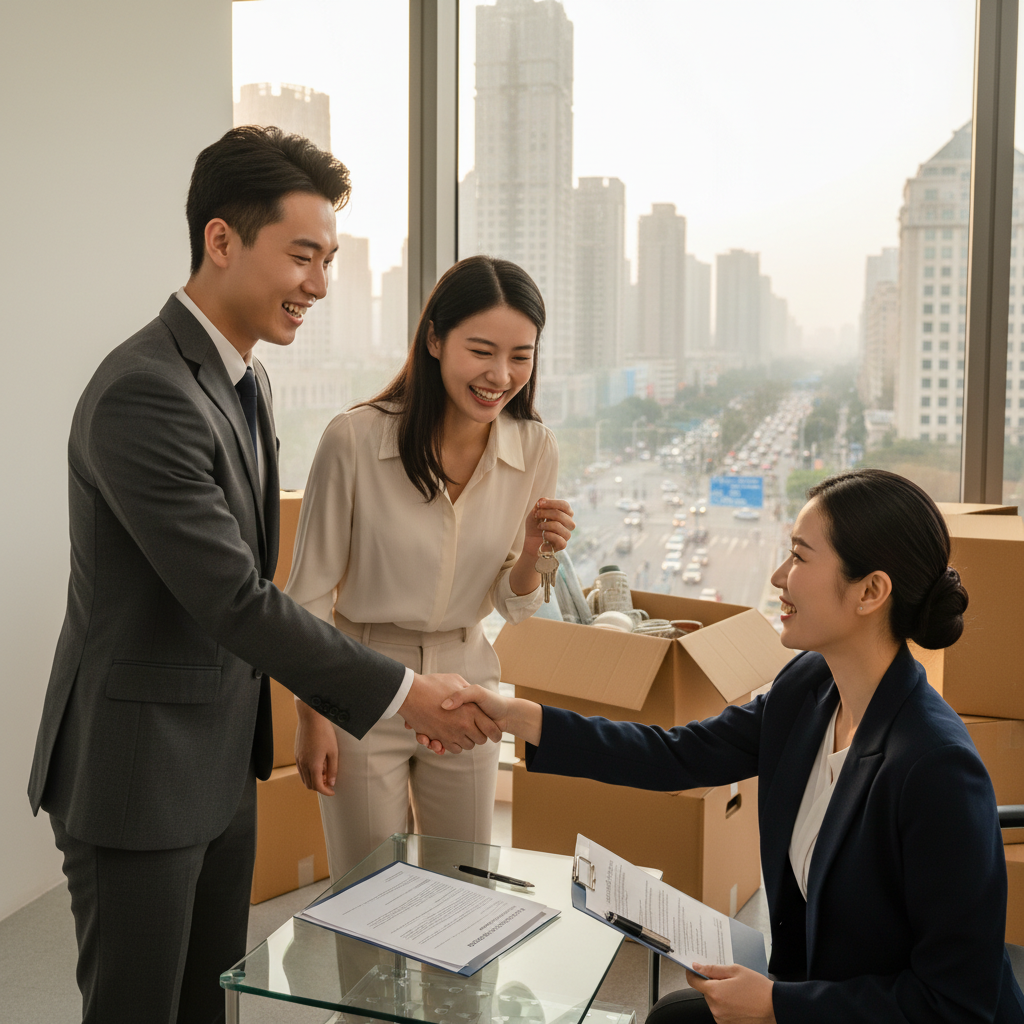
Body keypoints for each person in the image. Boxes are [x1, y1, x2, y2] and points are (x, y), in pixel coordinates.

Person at [27, 126, 498, 1024]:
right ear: (221, 240)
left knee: (212, 1003)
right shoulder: (145, 393)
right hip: (138, 770)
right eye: (304, 256)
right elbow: (232, 600)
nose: (320, 284)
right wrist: (403, 694)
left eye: (328, 259)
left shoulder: (247, 382)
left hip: (215, 759)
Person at [442, 468, 1024, 1023]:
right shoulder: (808, 688)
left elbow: (954, 1005)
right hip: (812, 992)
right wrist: (523, 717)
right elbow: (678, 754)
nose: (777, 577)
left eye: (798, 556)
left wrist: (778, 1008)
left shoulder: (937, 767)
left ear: (870, 591)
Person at [284, 254, 574, 880]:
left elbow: (513, 603)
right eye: (482, 350)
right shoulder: (355, 440)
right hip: (365, 679)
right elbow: (305, 597)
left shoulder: (536, 447)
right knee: (367, 895)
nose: (501, 375)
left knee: (465, 890)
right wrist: (312, 716)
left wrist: (531, 553)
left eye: (521, 355)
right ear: (435, 340)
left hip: (469, 677)